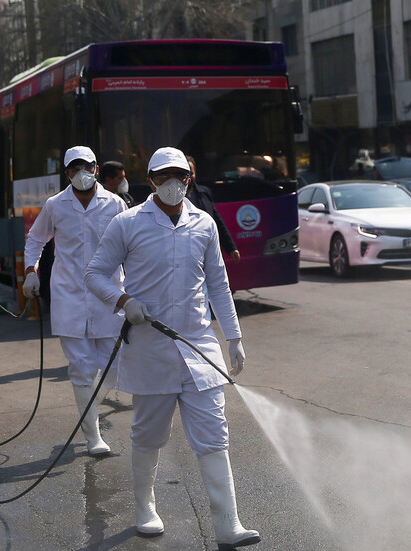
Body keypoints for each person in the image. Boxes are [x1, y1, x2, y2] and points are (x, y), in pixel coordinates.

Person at [85, 147, 259, 548]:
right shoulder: (127, 223)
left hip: (199, 345)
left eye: (179, 176)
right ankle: (145, 507)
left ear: (189, 179)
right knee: (148, 434)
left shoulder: (204, 223)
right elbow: (95, 274)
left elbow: (218, 283)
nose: (172, 184)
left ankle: (228, 523)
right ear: (150, 181)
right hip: (150, 348)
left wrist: (233, 337)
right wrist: (124, 301)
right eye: (163, 177)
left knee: (214, 434)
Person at [23, 145, 128, 457]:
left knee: (114, 367)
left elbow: (132, 245)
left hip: (108, 296)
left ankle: (88, 409)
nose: (82, 173)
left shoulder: (115, 203)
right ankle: (93, 436)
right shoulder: (55, 205)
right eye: (75, 168)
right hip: (68, 295)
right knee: (81, 368)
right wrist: (30, 271)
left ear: (96, 169)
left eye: (87, 167)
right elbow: (36, 239)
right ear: (67, 173)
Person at [185, 156, 240, 262]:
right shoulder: (173, 198)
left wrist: (231, 248)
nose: (189, 178)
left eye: (191, 173)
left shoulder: (204, 193)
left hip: (205, 250)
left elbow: (217, 222)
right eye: (185, 174)